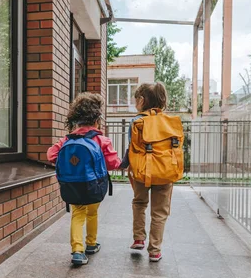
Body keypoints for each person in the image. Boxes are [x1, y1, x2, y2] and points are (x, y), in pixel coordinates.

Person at [47, 93, 121, 265]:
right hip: (93, 186)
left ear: (76, 119)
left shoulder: (66, 139)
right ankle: (91, 244)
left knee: (78, 214)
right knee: (92, 212)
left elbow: (51, 155)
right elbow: (113, 163)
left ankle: (77, 251)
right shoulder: (101, 140)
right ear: (96, 119)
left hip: (72, 185)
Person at [120, 83, 173, 262]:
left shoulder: (136, 121)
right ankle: (155, 250)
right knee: (159, 211)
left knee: (139, 202)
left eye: (136, 99)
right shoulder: (170, 122)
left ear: (142, 100)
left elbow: (131, 147)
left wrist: (125, 164)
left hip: (142, 170)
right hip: (165, 172)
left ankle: (139, 238)